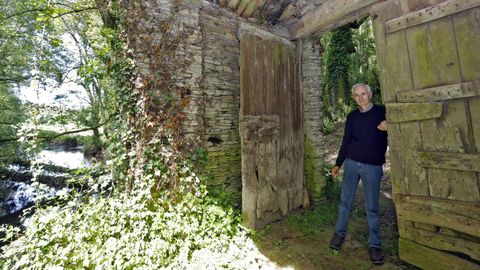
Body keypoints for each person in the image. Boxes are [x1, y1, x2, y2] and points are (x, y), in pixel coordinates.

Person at [328, 83, 388, 265]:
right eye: (357, 95)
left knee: (372, 207)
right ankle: (339, 234)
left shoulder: (383, 111)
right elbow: (346, 141)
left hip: (372, 167)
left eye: (363, 94)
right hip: (352, 164)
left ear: (370, 94)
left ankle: (374, 245)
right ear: (354, 98)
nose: (361, 97)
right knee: (345, 201)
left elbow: (401, 129)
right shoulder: (352, 117)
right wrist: (338, 163)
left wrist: (390, 126)